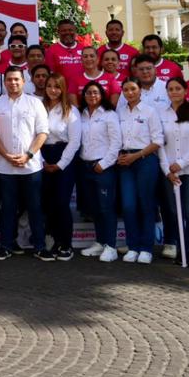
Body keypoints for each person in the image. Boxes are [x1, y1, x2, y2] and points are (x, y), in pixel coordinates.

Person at [0, 68, 50, 261]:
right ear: (4, 82)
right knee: (7, 208)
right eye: (9, 79)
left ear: (23, 81)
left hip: (31, 166)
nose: (13, 83)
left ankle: (39, 247)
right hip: (4, 166)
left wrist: (29, 155)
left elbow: (43, 132)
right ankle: (6, 246)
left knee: (35, 208)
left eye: (16, 79)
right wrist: (6, 155)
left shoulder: (35, 103)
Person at [116, 78, 164, 263]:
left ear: (140, 91)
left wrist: (136, 156)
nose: (130, 93)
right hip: (125, 161)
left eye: (133, 89)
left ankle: (146, 248)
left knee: (146, 204)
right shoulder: (119, 112)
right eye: (126, 90)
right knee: (128, 206)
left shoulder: (150, 111)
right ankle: (133, 246)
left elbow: (158, 140)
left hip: (145, 159)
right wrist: (120, 156)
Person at [159, 77, 189, 268]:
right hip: (169, 172)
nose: (174, 92)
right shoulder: (161, 114)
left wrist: (182, 163)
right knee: (173, 211)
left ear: (186, 91)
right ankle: (180, 249)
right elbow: (159, 143)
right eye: (171, 89)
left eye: (178, 88)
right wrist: (167, 169)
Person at [78, 82, 122, 262]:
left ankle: (111, 246)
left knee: (106, 208)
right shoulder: (80, 114)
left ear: (102, 95)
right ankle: (100, 242)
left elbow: (116, 142)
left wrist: (104, 163)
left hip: (103, 167)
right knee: (94, 208)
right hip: (85, 166)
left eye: (96, 92)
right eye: (88, 92)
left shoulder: (109, 115)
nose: (92, 96)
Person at [40, 74, 80, 261]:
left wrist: (60, 164)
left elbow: (75, 141)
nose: (53, 90)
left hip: (64, 157)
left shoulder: (70, 110)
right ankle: (53, 241)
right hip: (43, 156)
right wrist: (41, 160)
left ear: (63, 89)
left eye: (57, 86)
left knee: (62, 203)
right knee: (48, 202)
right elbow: (33, 136)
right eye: (49, 86)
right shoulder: (39, 108)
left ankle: (66, 244)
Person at [45, 19, 83, 83]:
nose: (67, 33)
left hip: (82, 88)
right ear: (58, 32)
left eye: (70, 30)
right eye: (64, 31)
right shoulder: (51, 51)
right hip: (62, 88)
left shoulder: (83, 49)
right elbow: (50, 75)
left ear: (75, 31)